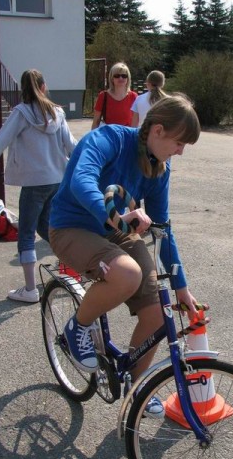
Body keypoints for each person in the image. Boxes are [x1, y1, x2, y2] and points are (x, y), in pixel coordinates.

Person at [49, 94, 200, 417]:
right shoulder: (108, 139)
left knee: (159, 311)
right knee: (126, 274)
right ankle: (77, 327)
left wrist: (182, 287)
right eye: (179, 143)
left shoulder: (160, 168)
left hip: (112, 229)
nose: (180, 151)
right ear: (157, 130)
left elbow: (162, 230)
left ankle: (136, 385)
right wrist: (116, 214)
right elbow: (81, 181)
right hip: (70, 226)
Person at [0, 69, 77, 303]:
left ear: (22, 91)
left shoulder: (21, 114)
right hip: (57, 180)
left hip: (34, 183)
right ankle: (72, 262)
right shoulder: (58, 113)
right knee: (46, 227)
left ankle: (30, 289)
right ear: (44, 87)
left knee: (26, 233)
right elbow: (72, 147)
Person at [91, 62, 137, 129]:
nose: (120, 78)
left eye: (124, 76)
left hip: (127, 136)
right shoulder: (103, 96)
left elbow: (136, 123)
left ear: (128, 79)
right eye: (117, 76)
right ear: (112, 78)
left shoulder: (134, 96)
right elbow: (96, 121)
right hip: (109, 136)